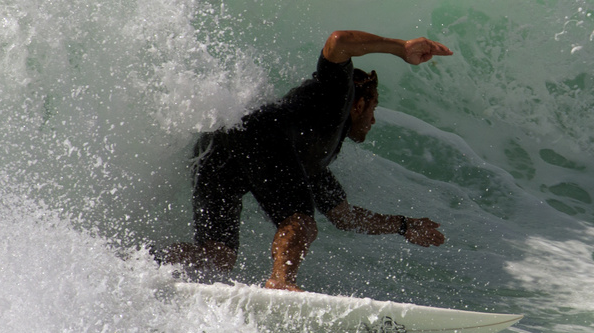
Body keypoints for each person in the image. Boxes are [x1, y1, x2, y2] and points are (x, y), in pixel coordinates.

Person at [160, 30, 454, 290]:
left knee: (216, 257)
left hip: (219, 144)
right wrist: (400, 47)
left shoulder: (311, 153)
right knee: (300, 221)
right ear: (360, 104)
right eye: (373, 108)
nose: (373, 119)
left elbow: (344, 217)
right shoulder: (338, 95)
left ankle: (144, 260)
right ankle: (281, 282)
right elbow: (338, 41)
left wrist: (403, 226)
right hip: (259, 134)